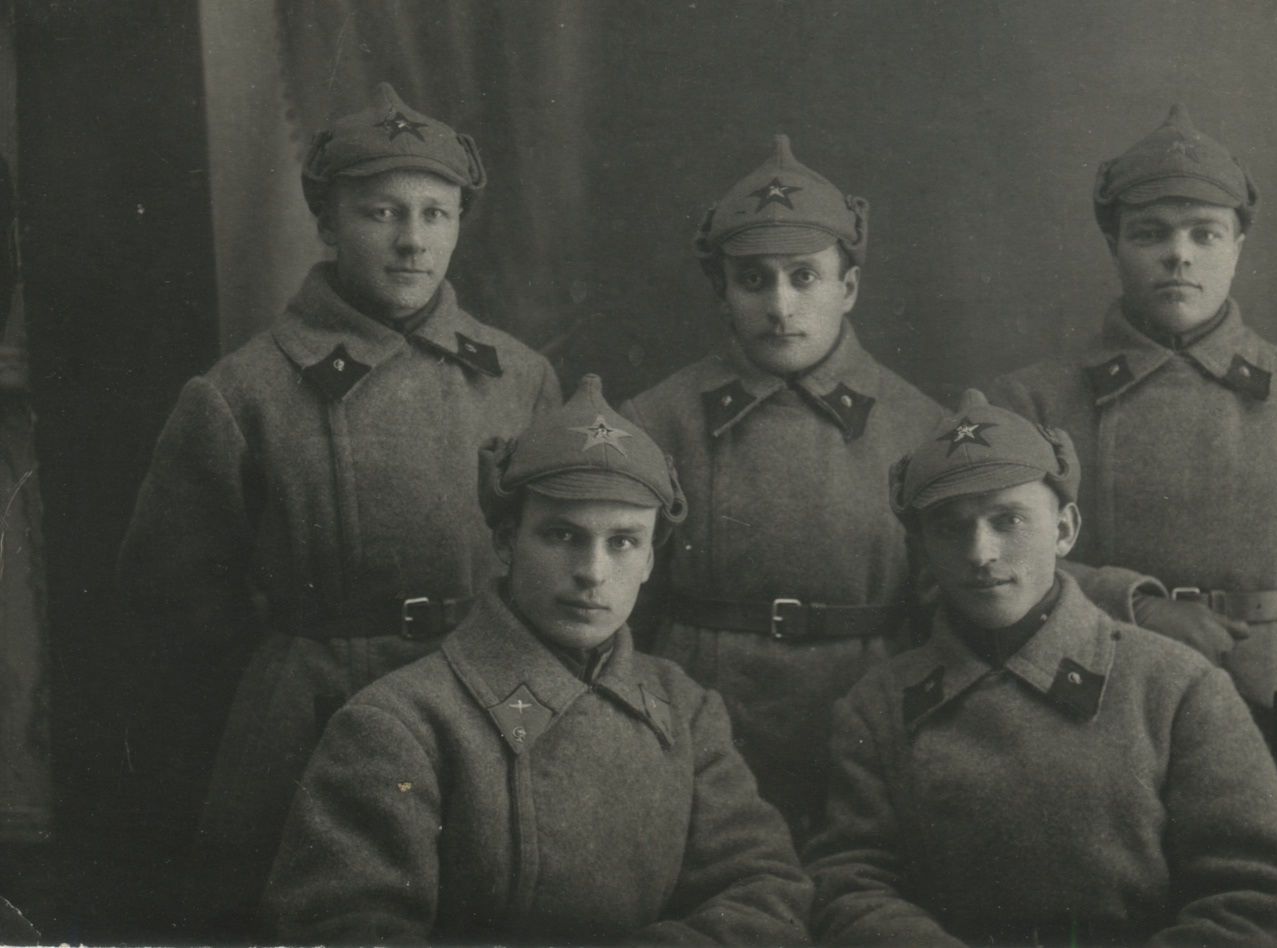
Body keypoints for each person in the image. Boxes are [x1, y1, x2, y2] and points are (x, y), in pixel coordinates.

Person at [117, 83, 561, 935]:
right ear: (327, 223)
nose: (412, 240)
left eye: (435, 214)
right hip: (312, 717)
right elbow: (176, 606)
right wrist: (282, 680)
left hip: (487, 706)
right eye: (381, 213)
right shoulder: (244, 393)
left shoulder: (522, 379)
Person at [990, 105, 1277, 945]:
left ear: (1239, 243)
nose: (1179, 254)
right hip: (1099, 718)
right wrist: (1135, 604)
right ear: (1114, 244)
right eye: (1150, 233)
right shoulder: (1034, 401)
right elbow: (986, 569)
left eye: (1205, 232)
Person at [265, 375, 812, 946]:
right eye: (562, 535)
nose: (593, 573)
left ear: (651, 560)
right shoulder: (402, 725)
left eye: (623, 541)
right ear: (507, 541)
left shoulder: (687, 711)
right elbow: (345, 930)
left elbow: (767, 895)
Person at [803, 390, 1277, 946]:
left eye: (1009, 520)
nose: (980, 553)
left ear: (1065, 530)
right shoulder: (880, 703)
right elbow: (849, 886)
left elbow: (1262, 900)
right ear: (924, 550)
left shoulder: (1176, 687)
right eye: (950, 528)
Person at [618, 135, 947, 845]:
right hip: (702, 716)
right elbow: (624, 615)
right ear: (723, 291)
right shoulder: (654, 422)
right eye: (753, 280)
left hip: (865, 720)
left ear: (847, 288)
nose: (780, 305)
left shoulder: (924, 428)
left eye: (804, 277)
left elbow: (943, 618)